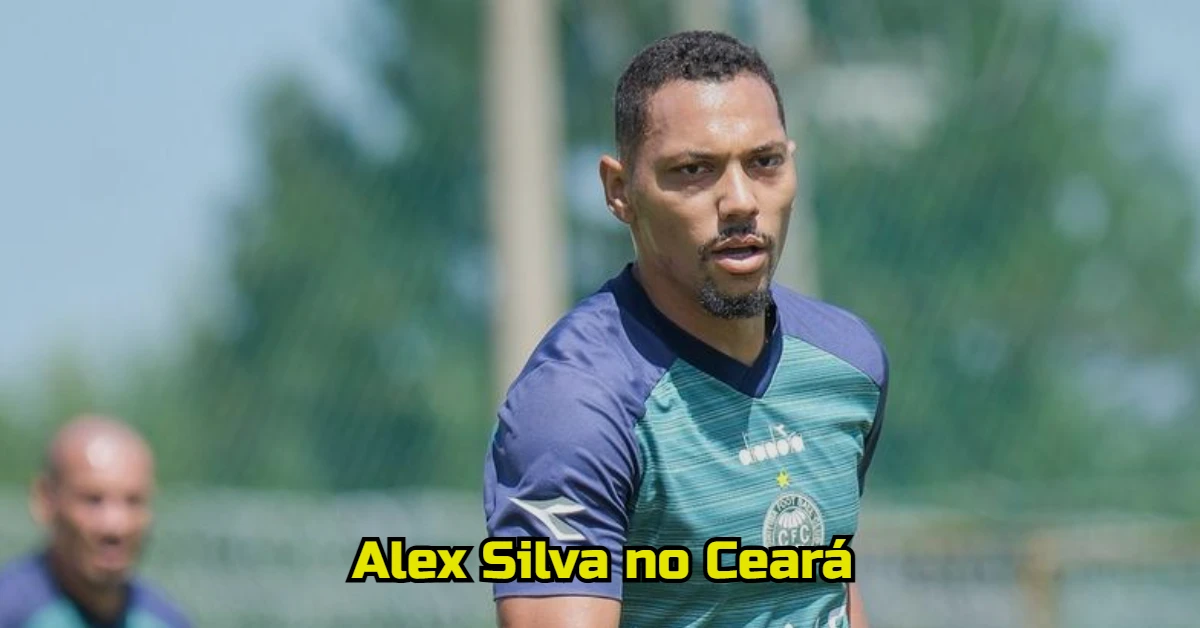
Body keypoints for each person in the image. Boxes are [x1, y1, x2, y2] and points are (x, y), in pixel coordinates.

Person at [483, 30, 889, 627]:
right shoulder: (575, 408)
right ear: (620, 192)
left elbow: (824, 585)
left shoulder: (849, 361)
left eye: (765, 162)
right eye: (694, 170)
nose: (740, 201)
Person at [0, 415, 190, 628]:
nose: (116, 527)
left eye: (133, 501)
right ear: (45, 499)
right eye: (93, 500)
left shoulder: (166, 621)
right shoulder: (10, 614)